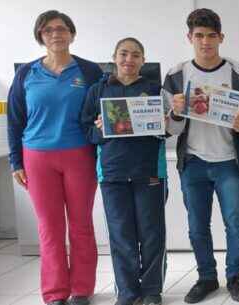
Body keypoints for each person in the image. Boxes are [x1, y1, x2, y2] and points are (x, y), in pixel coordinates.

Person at [163, 8, 239, 303]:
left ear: (221, 37)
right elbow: (168, 128)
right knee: (197, 225)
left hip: (229, 161)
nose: (205, 42)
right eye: (199, 36)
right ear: (189, 37)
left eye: (211, 36)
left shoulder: (238, 74)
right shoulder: (176, 76)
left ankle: (235, 276)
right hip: (192, 162)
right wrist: (175, 112)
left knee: (235, 223)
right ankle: (207, 277)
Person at [7, 10, 102, 305]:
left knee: (81, 225)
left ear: (72, 34)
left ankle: (82, 290)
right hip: (37, 158)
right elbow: (14, 119)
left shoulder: (89, 72)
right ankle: (55, 293)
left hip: (79, 156)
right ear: (40, 36)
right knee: (49, 229)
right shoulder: (26, 73)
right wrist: (15, 161)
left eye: (61, 29)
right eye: (48, 30)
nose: (55, 34)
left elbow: (105, 111)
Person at [80, 37, 167, 305]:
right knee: (121, 236)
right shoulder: (98, 90)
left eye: (136, 55)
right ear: (114, 57)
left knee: (152, 234)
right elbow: (86, 131)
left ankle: (152, 291)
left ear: (143, 60)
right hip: (112, 173)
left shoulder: (155, 90)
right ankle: (128, 292)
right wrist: (100, 129)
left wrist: (162, 123)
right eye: (124, 54)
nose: (129, 59)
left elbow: (168, 131)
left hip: (149, 171)